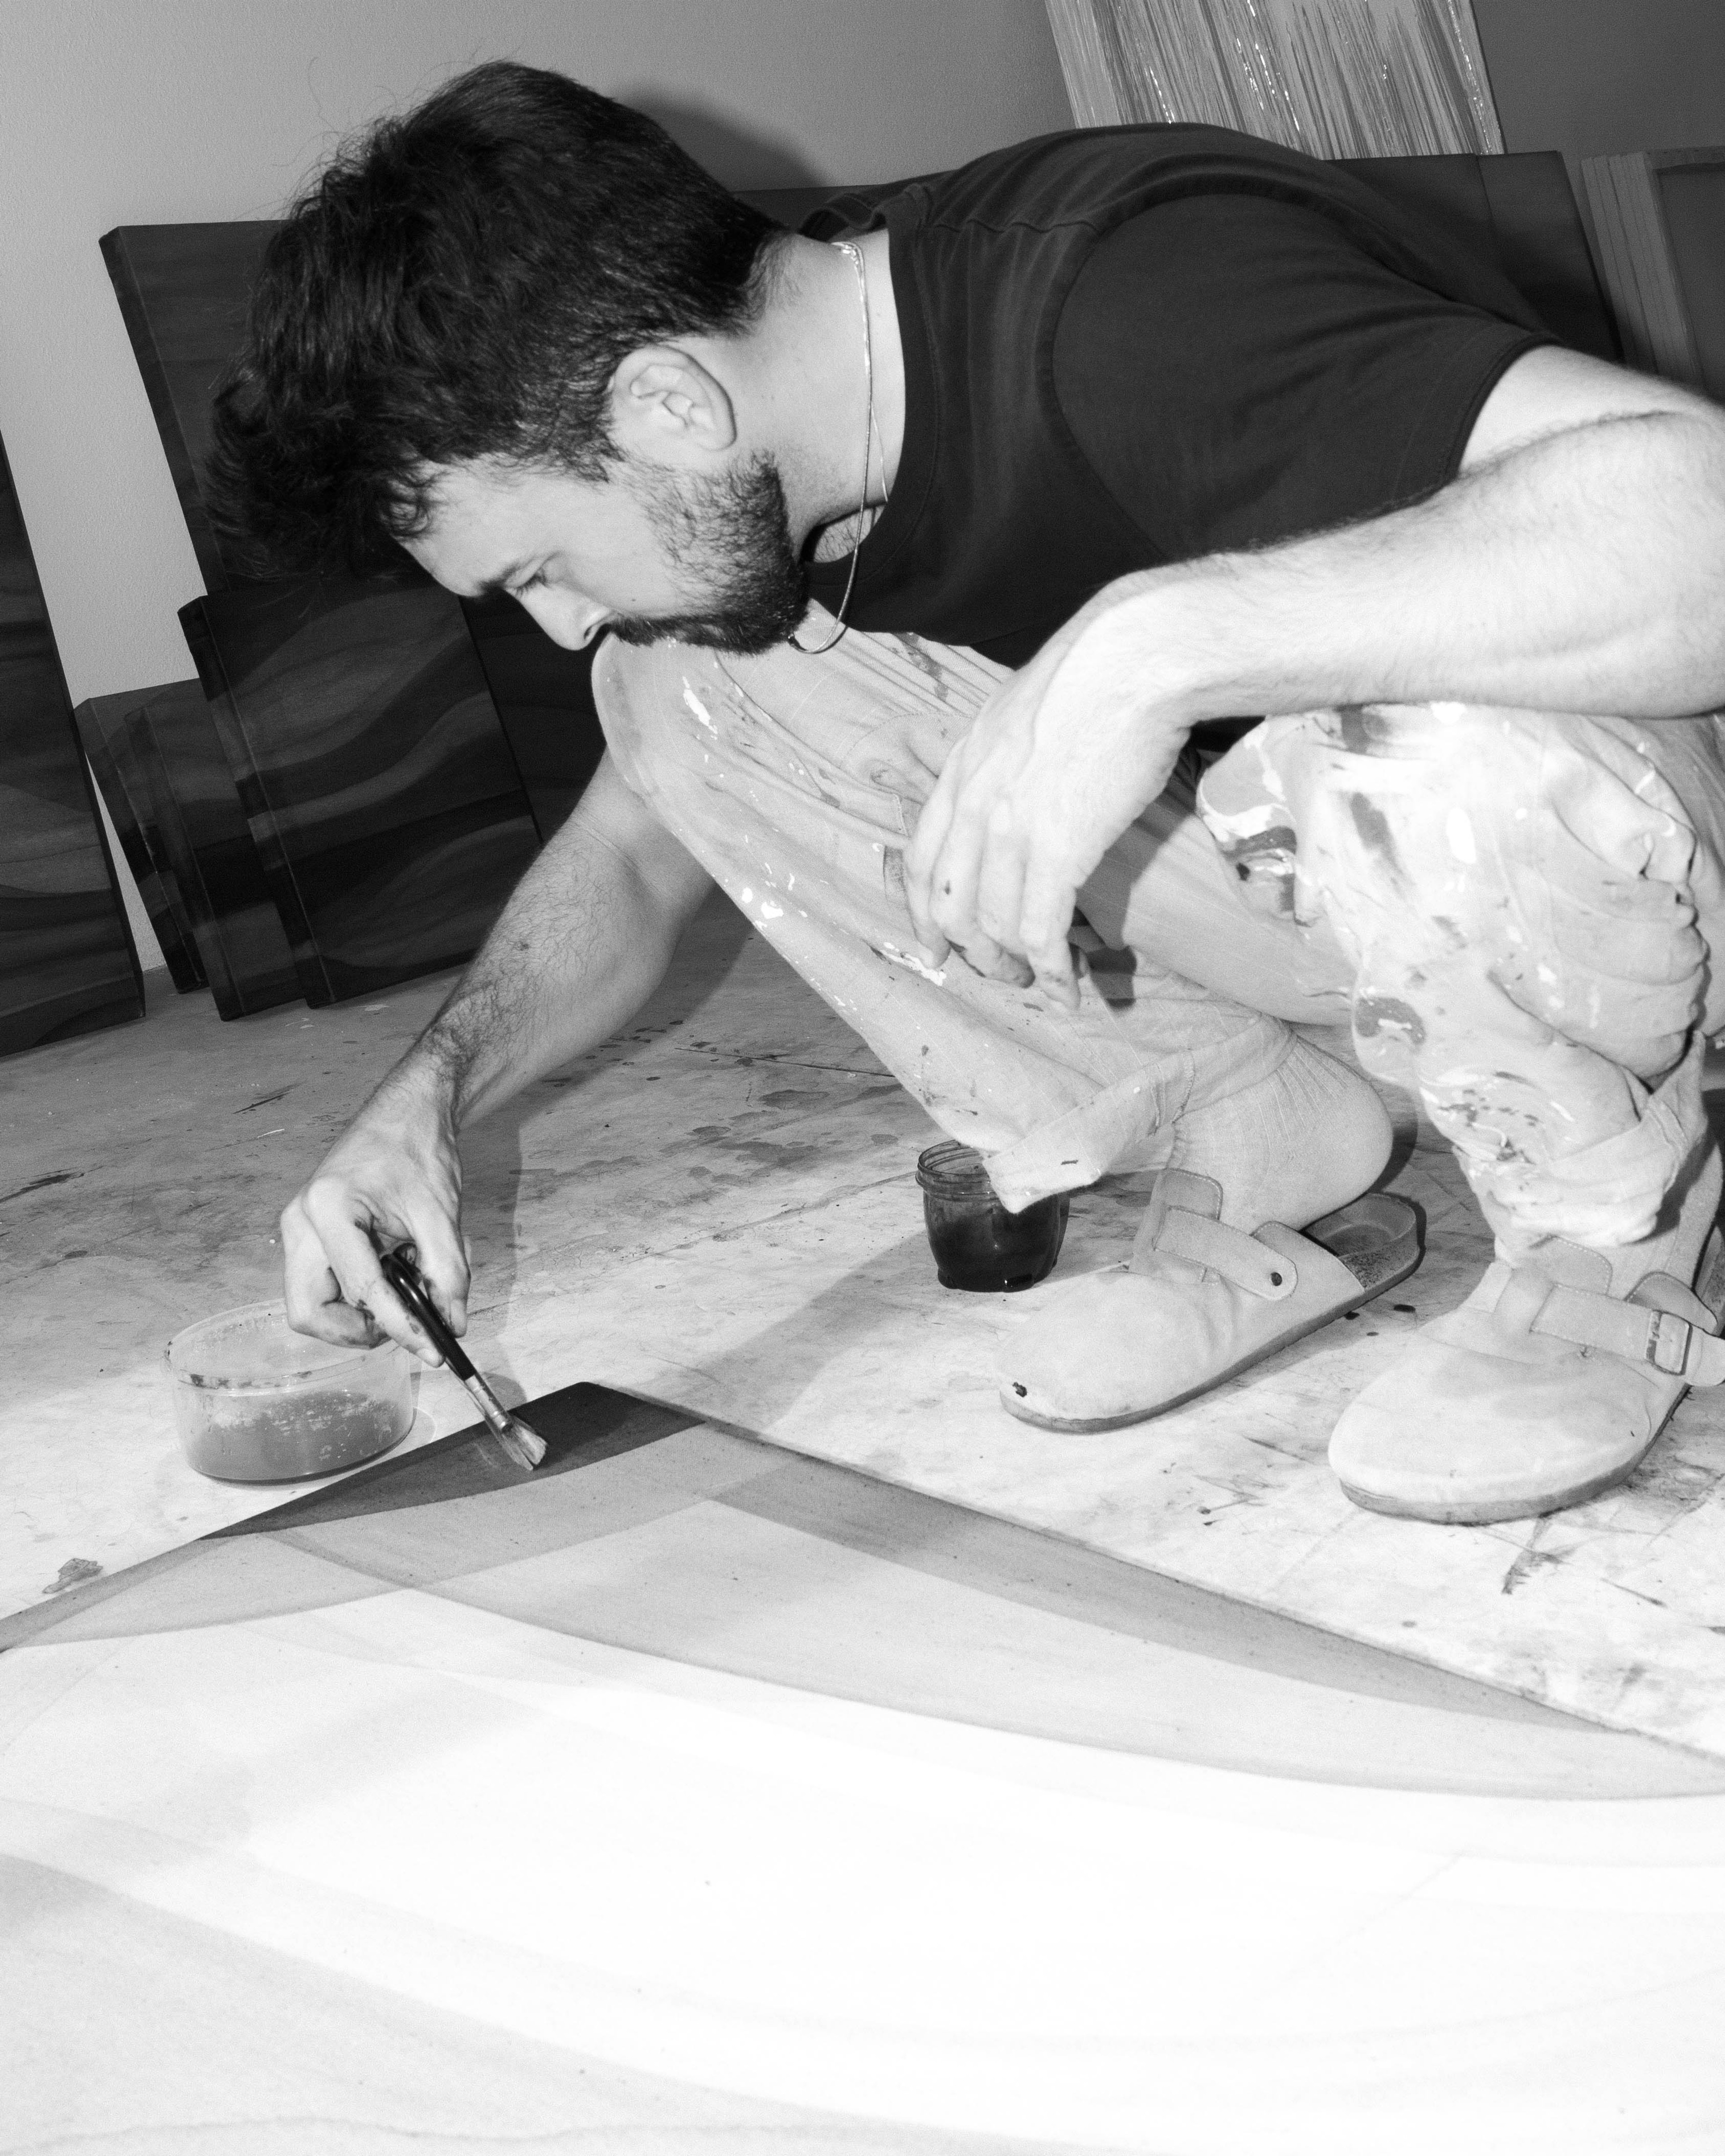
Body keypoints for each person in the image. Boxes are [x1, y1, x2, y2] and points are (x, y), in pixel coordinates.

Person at [210, 60, 1725, 1527]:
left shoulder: (1136, 293)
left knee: (1418, 708)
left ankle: (1612, 1225)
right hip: (1350, 898)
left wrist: (1158, 646)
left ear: (671, 403)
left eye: (539, 565)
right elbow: (631, 841)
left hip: (1646, 873)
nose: (555, 621)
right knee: (677, 685)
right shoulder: (812, 422)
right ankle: (1258, 1142)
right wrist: (431, 1094)